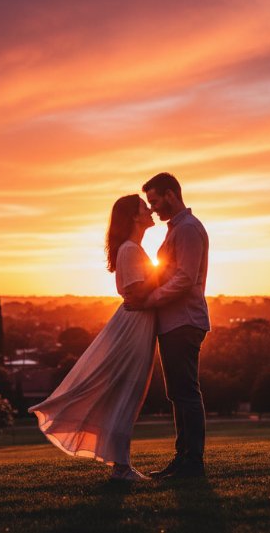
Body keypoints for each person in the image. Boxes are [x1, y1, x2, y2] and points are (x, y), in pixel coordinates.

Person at [29, 194, 159, 481]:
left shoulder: (132, 249)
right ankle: (121, 468)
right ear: (134, 217)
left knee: (128, 393)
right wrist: (167, 272)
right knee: (126, 393)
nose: (150, 210)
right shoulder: (130, 250)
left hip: (138, 324)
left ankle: (121, 465)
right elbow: (137, 293)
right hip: (134, 326)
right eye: (144, 207)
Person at [126, 172, 210, 479]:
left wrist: (148, 301)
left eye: (155, 200)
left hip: (184, 320)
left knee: (186, 392)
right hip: (174, 322)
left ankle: (193, 462)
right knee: (178, 392)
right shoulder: (177, 229)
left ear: (171, 194)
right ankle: (183, 458)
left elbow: (185, 280)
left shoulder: (187, 229)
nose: (153, 208)